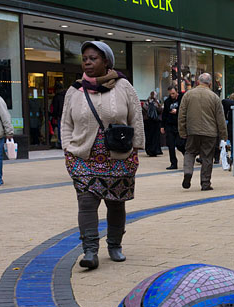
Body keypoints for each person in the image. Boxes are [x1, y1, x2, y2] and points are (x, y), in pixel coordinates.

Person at [60, 41, 145, 269]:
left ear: (106, 61)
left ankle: (115, 245)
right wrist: (68, 150)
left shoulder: (124, 86)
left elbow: (136, 119)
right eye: (85, 58)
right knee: (86, 203)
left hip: (118, 157)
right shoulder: (75, 90)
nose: (87, 62)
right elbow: (66, 123)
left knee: (115, 203)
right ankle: (89, 250)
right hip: (83, 157)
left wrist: (135, 150)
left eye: (93, 58)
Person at [178, 73, 227, 192]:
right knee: (207, 157)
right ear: (210, 83)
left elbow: (181, 114)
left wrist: (182, 130)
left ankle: (188, 172)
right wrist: (224, 135)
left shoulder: (188, 95)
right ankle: (205, 183)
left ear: (197, 82)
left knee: (189, 152)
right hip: (210, 132)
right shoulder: (214, 97)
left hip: (192, 130)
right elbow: (220, 118)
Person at [161, 85, 182, 170]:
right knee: (171, 145)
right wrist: (162, 126)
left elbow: (185, 109)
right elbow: (164, 114)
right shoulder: (167, 102)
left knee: (180, 144)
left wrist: (177, 111)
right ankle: (173, 163)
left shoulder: (182, 99)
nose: (172, 95)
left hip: (179, 124)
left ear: (176, 92)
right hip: (170, 125)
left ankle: (188, 158)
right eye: (170, 94)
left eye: (173, 93)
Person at [142, 90, 163, 157]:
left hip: (148, 122)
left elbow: (144, 110)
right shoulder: (157, 102)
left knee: (149, 137)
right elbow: (160, 110)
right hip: (155, 122)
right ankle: (155, 150)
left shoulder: (146, 102)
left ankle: (149, 150)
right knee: (155, 137)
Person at [49, 81, 66, 149]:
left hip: (60, 115)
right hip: (66, 114)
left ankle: (60, 143)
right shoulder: (66, 94)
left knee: (60, 129)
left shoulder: (57, 96)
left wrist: (54, 116)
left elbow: (55, 107)